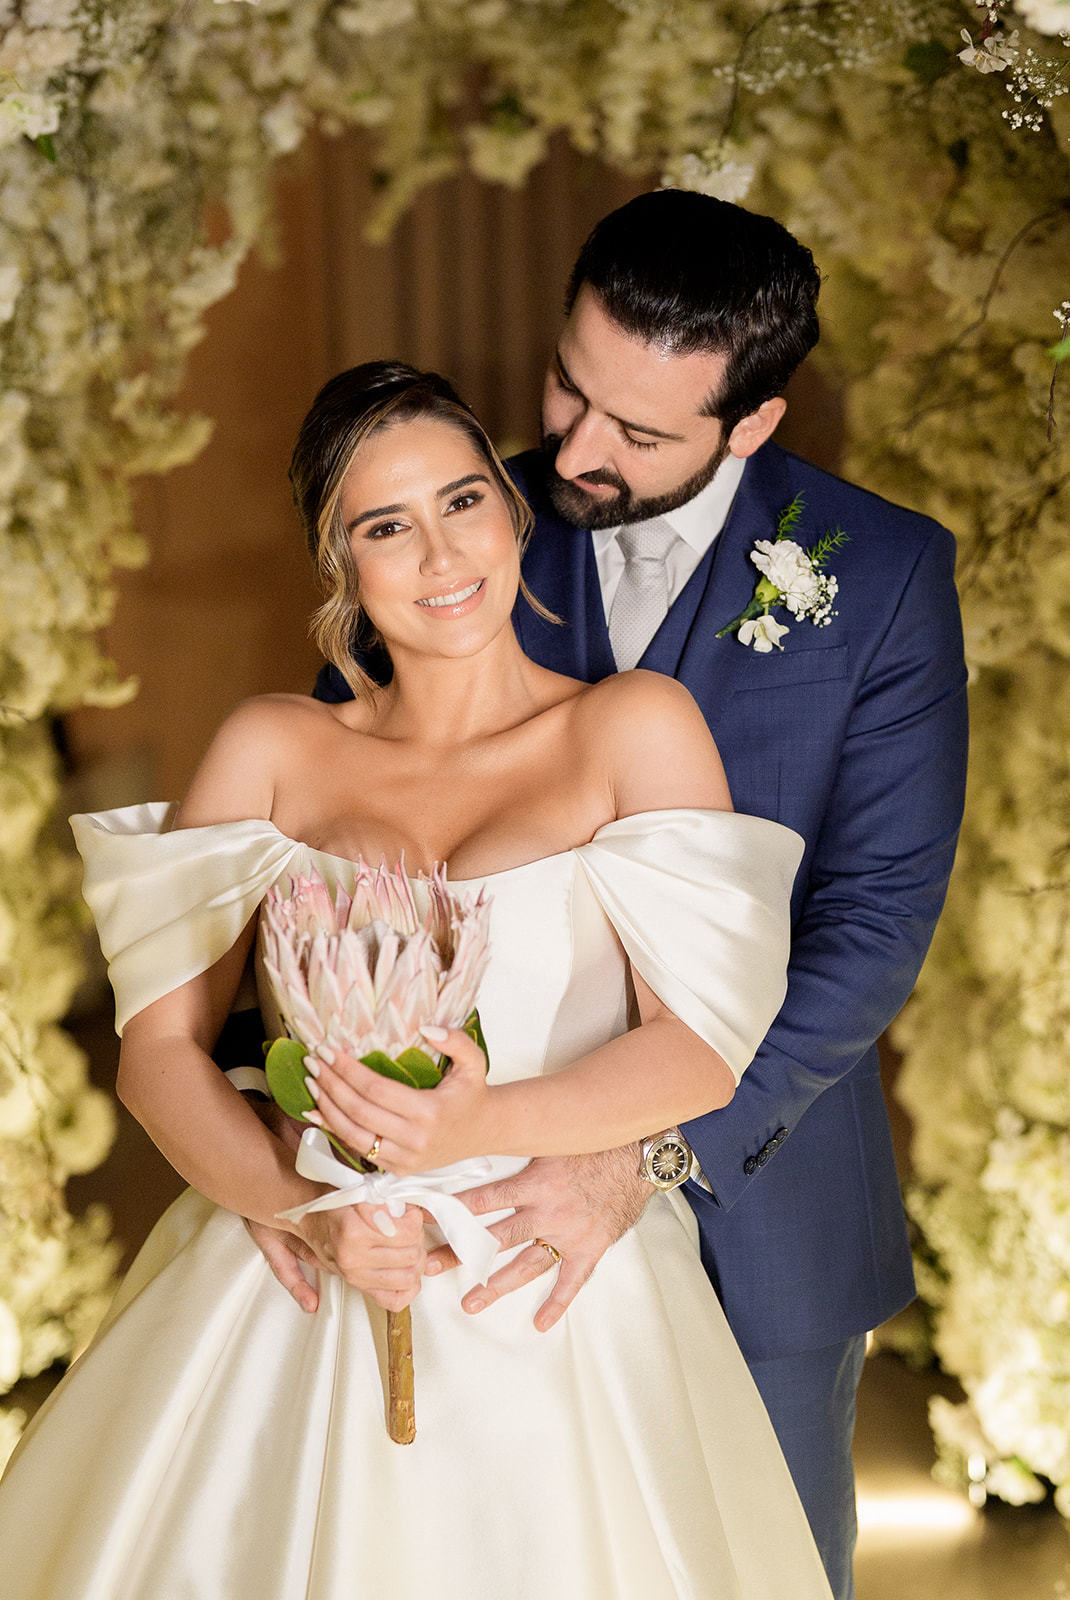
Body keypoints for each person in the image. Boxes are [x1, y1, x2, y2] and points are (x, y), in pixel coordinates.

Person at [0, 362, 834, 1598]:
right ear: (337, 561)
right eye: (385, 526)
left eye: (461, 501)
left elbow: (698, 1049)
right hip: (304, 1272)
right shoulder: (272, 747)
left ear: (509, 507)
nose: (441, 554)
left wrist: (479, 1123)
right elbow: (159, 1052)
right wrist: (302, 1206)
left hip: (550, 1282)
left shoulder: (630, 728)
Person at [297, 192, 970, 1600]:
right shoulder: (449, 526)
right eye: (568, 387)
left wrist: (643, 1151)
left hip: (762, 1208)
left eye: (640, 434)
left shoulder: (885, 575)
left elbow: (869, 925)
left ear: (751, 424)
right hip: (465, 1220)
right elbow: (332, 851)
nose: (575, 453)